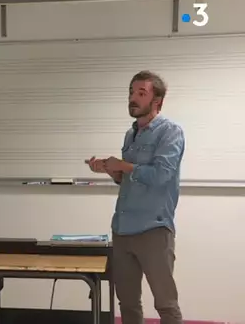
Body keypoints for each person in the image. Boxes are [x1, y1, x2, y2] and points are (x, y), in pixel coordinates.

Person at [86, 71, 185, 324]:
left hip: (154, 229)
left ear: (157, 102)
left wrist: (125, 165)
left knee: (166, 304)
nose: (133, 98)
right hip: (122, 229)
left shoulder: (170, 132)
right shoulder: (130, 135)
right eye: (131, 92)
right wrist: (110, 170)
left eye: (141, 93)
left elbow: (162, 175)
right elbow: (126, 181)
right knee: (128, 304)